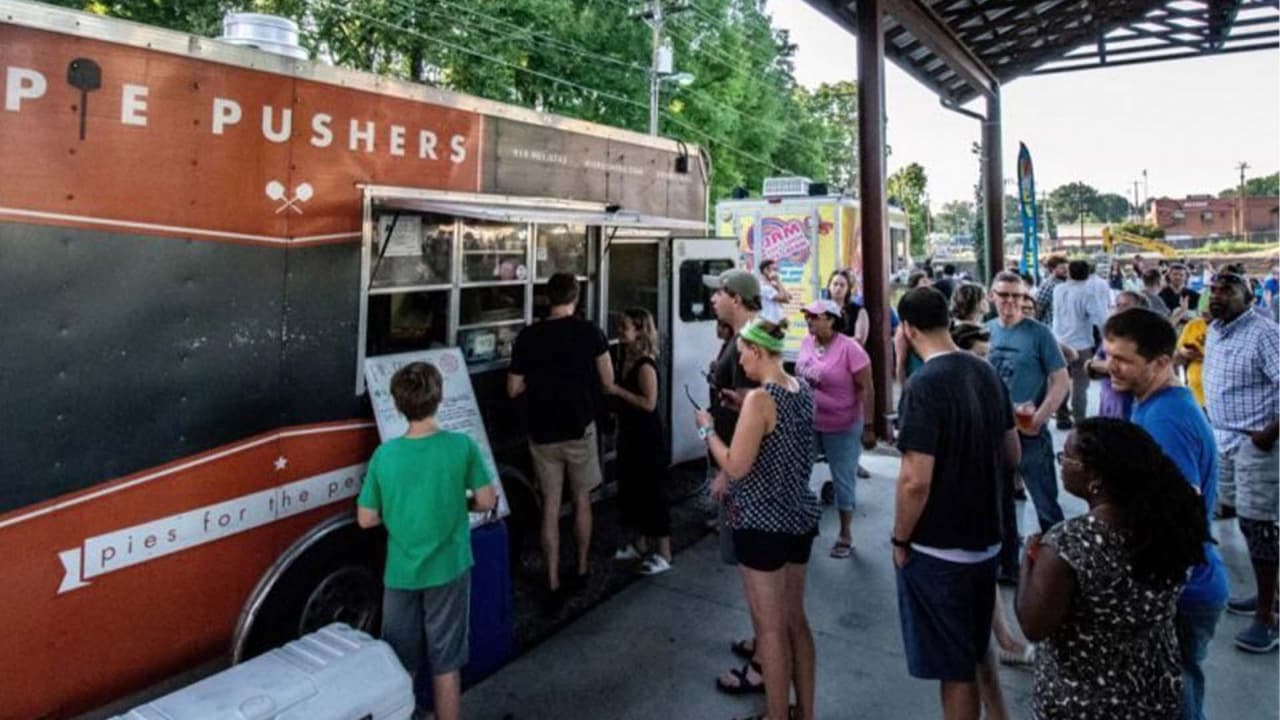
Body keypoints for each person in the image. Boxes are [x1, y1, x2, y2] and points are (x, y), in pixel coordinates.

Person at [1016, 419, 1210, 720]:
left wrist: (1028, 564)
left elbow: (1033, 625)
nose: (1061, 464)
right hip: (1153, 693)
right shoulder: (1172, 524)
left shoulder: (1070, 543)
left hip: (1083, 702)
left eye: (1066, 457)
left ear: (1095, 476)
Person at [894, 286, 1020, 720]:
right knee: (975, 640)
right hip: (987, 537)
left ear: (907, 329)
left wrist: (899, 537)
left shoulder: (923, 386)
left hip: (938, 545)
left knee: (955, 669)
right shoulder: (984, 372)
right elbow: (1012, 452)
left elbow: (915, 480)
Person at [1102, 308, 1229, 719]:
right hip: (1183, 585)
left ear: (1160, 363)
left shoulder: (1166, 421)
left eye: (1122, 360)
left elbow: (1178, 514)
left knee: (1173, 701)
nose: (1110, 367)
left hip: (1182, 592)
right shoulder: (1153, 404)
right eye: (1108, 355)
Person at [357, 362, 498, 720]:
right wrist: (459, 499)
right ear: (439, 398)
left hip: (401, 572)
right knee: (446, 661)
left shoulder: (385, 455)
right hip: (450, 566)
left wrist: (401, 509)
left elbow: (367, 518)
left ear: (397, 403)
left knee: (401, 663)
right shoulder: (461, 446)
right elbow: (485, 500)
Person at [695, 319, 821, 720]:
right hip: (798, 517)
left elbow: (736, 463)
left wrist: (707, 431)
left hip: (760, 523)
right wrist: (744, 403)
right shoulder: (800, 389)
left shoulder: (759, 401)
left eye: (744, 352)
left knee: (769, 631)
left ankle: (775, 715)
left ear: (759, 351)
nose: (740, 359)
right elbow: (774, 426)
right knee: (795, 622)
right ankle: (805, 711)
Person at [508, 273, 613, 602]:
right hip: (580, 429)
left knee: (550, 506)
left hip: (542, 433)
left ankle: (552, 579)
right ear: (576, 297)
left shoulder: (529, 336)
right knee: (582, 499)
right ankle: (581, 568)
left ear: (546, 298)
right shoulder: (590, 332)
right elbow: (607, 381)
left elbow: (513, 388)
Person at [950, 320, 1035, 671]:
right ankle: (1001, 638)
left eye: (986, 355)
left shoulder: (971, 381)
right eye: (978, 354)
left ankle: (1002, 638)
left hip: (982, 485)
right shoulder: (960, 382)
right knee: (979, 565)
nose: (983, 362)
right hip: (968, 488)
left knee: (983, 565)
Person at [1202, 272, 1280, 652]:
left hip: (1259, 444)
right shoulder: (1216, 329)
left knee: (1259, 525)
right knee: (1248, 526)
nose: (1217, 296)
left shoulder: (1264, 334)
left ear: (1249, 297)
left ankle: (1267, 619)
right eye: (1213, 290)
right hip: (1226, 438)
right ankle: (1271, 596)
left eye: (1227, 291)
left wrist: (1271, 431)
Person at [703, 268, 766, 694]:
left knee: (754, 569)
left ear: (738, 299)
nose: (712, 300)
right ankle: (762, 640)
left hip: (743, 470)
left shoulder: (751, 344)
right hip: (739, 464)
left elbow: (756, 414)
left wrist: (727, 468)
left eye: (719, 293)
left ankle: (764, 663)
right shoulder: (740, 336)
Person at [986, 272, 1069, 533]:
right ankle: (1007, 564)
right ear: (992, 296)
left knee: (1045, 503)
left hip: (1028, 432)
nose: (1011, 301)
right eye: (1004, 295)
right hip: (993, 431)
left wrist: (1039, 418)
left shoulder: (1039, 334)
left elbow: (1061, 380)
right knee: (997, 503)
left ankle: (1057, 561)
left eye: (1017, 296)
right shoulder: (986, 331)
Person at [796, 299, 876, 559]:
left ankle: (845, 534)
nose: (809, 320)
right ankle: (799, 522)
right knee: (798, 471)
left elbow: (867, 387)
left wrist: (869, 426)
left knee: (843, 479)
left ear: (830, 319)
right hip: (810, 422)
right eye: (807, 316)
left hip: (842, 424)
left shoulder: (850, 349)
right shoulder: (807, 343)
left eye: (815, 316)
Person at [608, 308, 672, 576]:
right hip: (631, 433)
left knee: (651, 492)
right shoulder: (627, 358)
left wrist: (616, 390)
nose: (620, 332)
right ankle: (639, 543)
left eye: (625, 328)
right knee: (632, 489)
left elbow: (649, 403)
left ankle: (664, 552)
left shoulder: (645, 364)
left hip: (647, 437)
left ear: (639, 331)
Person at [1052, 260, 1109, 427]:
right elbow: (1099, 318)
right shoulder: (1087, 292)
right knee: (1080, 385)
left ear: (1069, 272)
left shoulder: (1058, 289)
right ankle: (1080, 421)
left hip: (1059, 342)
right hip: (1081, 344)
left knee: (1060, 381)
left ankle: (1062, 417)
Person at [1086, 290, 1145, 419]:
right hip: (1109, 396)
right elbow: (1095, 362)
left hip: (1131, 400)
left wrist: (1103, 366)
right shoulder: (1112, 333)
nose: (1120, 309)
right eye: (1118, 305)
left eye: (1126, 305)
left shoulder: (1143, 336)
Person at [1176, 303, 1213, 410]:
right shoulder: (1193, 325)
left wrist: (1202, 357)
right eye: (1202, 310)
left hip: (1217, 397)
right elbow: (1177, 358)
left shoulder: (1226, 329)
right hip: (1195, 395)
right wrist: (1184, 353)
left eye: (1207, 309)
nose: (1204, 312)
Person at [826, 269, 869, 345]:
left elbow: (859, 340)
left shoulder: (858, 311)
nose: (838, 288)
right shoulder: (821, 310)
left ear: (848, 289)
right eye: (835, 284)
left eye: (842, 285)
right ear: (829, 286)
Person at [1160, 263, 1200, 328]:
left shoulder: (1194, 295)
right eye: (1175, 274)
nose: (1178, 277)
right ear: (1169, 275)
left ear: (1186, 277)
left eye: (1181, 275)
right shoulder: (1161, 295)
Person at [1034, 255, 1069, 326]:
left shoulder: (1066, 283)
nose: (1066, 270)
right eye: (1062, 268)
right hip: (1050, 328)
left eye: (1067, 268)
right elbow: (1038, 308)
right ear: (1052, 269)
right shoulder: (1048, 285)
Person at [758, 259, 792, 324]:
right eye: (773, 269)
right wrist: (778, 280)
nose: (775, 272)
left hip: (776, 323)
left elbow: (789, 296)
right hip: (769, 322)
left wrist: (777, 285)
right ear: (766, 270)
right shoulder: (764, 287)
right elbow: (785, 299)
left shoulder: (772, 285)